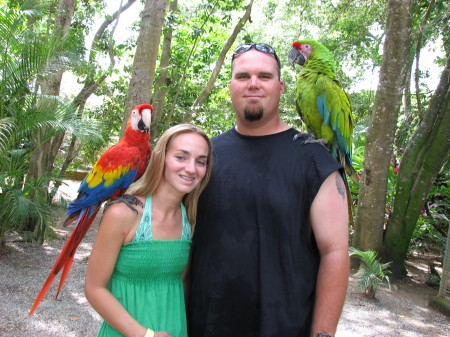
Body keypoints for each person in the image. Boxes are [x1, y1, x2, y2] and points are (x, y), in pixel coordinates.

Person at [187, 43, 350, 337]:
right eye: (242, 76)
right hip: (203, 325)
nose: (253, 84)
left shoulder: (315, 161)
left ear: (281, 86)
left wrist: (323, 334)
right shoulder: (203, 157)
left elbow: (335, 253)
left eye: (264, 76)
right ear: (230, 86)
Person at [85, 124, 212, 337]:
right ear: (161, 158)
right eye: (181, 157)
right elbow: (94, 288)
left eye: (201, 161)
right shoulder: (124, 213)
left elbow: (181, 283)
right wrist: (145, 335)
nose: (191, 168)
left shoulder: (189, 219)